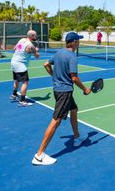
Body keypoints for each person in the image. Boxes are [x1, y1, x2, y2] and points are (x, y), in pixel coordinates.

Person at [32, 32, 91, 166]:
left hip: (59, 90)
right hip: (64, 92)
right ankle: (39, 155)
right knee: (56, 121)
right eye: (78, 40)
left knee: (74, 110)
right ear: (74, 42)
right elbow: (74, 78)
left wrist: (54, 76)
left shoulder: (59, 53)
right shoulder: (72, 56)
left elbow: (46, 64)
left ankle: (77, 137)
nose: (79, 42)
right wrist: (85, 89)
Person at [10, 30, 40, 106]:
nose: (36, 37)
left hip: (13, 62)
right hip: (20, 64)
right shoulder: (31, 46)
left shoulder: (22, 40)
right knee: (25, 82)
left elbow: (14, 48)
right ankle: (22, 101)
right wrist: (36, 50)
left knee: (16, 79)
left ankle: (14, 94)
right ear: (32, 36)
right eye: (35, 35)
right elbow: (37, 56)